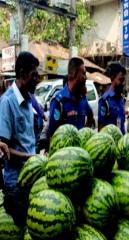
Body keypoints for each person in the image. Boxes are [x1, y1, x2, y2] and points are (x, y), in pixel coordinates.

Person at [0, 52, 40, 227]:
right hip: (16, 183)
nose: (37, 79)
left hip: (31, 176)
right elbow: (4, 150)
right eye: (34, 75)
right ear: (23, 74)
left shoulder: (30, 99)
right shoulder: (7, 102)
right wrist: (30, 158)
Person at [48, 58, 94, 137]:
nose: (85, 78)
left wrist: (86, 134)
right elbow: (52, 133)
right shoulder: (59, 101)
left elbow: (90, 115)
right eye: (83, 73)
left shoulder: (83, 98)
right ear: (74, 74)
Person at [98, 62, 127, 134]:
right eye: (120, 79)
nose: (123, 83)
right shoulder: (105, 100)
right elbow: (100, 128)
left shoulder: (122, 99)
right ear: (112, 78)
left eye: (124, 80)